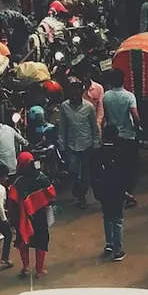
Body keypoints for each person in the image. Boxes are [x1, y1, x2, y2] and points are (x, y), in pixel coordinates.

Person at [7, 151, 55, 277]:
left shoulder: (18, 182)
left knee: (24, 241)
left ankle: (26, 268)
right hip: (40, 215)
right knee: (41, 240)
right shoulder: (41, 177)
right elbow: (51, 194)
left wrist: (12, 218)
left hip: (22, 217)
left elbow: (12, 201)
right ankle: (39, 270)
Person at [59, 80, 100, 208]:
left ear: (81, 92)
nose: (75, 94)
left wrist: (96, 143)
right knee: (73, 170)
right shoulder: (64, 107)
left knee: (86, 174)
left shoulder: (89, 107)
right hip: (71, 146)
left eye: (77, 91)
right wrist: (62, 145)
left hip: (87, 144)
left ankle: (82, 197)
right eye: (72, 91)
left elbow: (94, 127)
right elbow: (62, 127)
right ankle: (77, 191)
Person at [101, 69, 140, 206]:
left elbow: (105, 117)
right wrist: (138, 128)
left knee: (115, 166)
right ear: (123, 81)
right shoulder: (129, 96)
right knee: (129, 167)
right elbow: (135, 116)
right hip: (128, 137)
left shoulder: (106, 96)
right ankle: (128, 193)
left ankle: (119, 192)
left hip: (113, 137)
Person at [93, 147, 127, 261]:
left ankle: (109, 244)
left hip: (104, 193)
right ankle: (118, 251)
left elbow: (94, 176)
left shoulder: (98, 154)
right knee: (118, 221)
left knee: (107, 218)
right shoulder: (120, 153)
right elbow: (125, 176)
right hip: (117, 194)